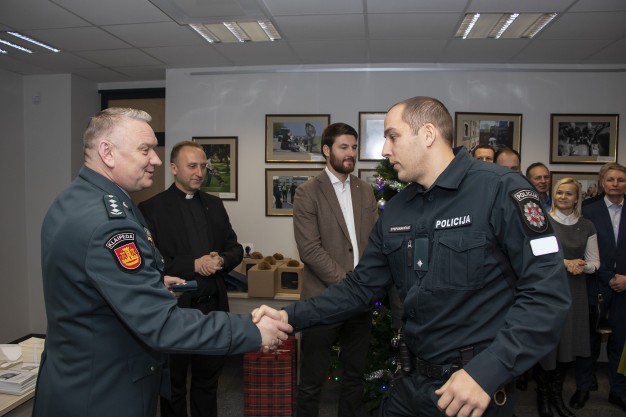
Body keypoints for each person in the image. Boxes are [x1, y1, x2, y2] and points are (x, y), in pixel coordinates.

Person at [254, 96, 570, 417]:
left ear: (428, 134)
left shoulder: (500, 190)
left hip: (468, 392)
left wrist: (488, 371)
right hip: (409, 384)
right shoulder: (397, 210)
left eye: (392, 137)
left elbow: (547, 296)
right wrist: (289, 318)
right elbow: (358, 288)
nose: (384, 150)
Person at [32, 108, 292, 417]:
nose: (155, 160)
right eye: (145, 150)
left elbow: (96, 285)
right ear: (107, 152)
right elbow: (161, 324)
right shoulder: (109, 222)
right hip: (102, 391)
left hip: (79, 378)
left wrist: (154, 282)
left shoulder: (76, 198)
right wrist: (251, 330)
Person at [138, 141, 243, 417]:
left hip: (212, 310)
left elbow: (234, 248)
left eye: (203, 166)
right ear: (173, 168)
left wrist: (221, 260)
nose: (200, 172)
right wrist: (193, 264)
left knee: (208, 384)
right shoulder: (151, 208)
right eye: (192, 166)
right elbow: (149, 261)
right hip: (175, 311)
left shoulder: (214, 205)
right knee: (173, 387)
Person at [293, 122, 379, 417]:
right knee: (311, 382)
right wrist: (351, 285)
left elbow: (375, 243)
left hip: (360, 303)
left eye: (354, 147)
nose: (350, 153)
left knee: (355, 377)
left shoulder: (365, 190)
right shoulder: (307, 192)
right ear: (327, 150)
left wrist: (364, 286)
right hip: (323, 299)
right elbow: (310, 250)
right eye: (344, 147)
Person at [532, 178, 599, 417]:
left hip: (575, 291)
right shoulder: (542, 221)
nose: (563, 197)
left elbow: (595, 262)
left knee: (568, 346)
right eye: (559, 192)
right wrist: (565, 263)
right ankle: (543, 398)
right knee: (548, 346)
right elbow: (536, 254)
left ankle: (556, 397)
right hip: (548, 290)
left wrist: (582, 266)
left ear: (577, 198)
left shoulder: (587, 225)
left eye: (569, 193)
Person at [580, 162, 626, 412]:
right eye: (611, 179)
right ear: (602, 183)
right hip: (597, 283)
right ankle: (584, 387)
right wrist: (609, 276)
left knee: (621, 339)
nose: (615, 184)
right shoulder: (589, 209)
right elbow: (585, 247)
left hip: (625, 285)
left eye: (621, 179)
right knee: (590, 339)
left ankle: (618, 391)